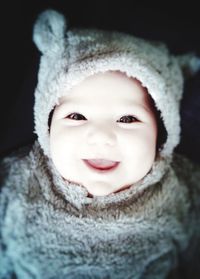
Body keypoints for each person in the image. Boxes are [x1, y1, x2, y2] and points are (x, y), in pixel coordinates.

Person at [0, 9, 200, 279]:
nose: (101, 136)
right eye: (76, 116)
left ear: (162, 133)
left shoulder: (183, 191)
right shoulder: (15, 180)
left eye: (128, 118)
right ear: (46, 126)